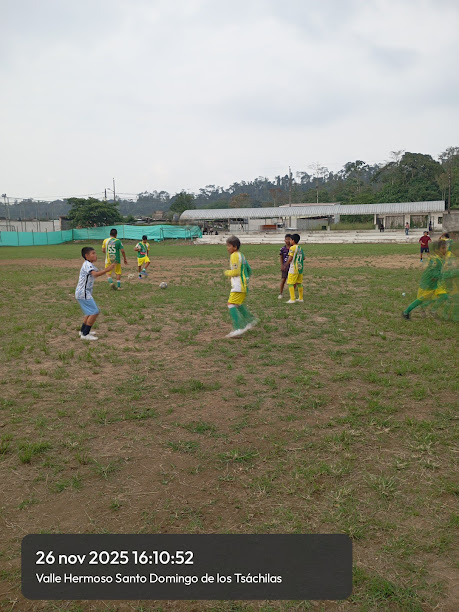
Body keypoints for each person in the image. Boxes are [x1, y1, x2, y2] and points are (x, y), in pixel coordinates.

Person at [75, 247, 115, 340]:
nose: (95, 255)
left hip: (82, 292)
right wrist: (107, 270)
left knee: (89, 312)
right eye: (93, 253)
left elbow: (97, 272)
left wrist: (109, 267)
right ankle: (85, 334)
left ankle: (83, 331)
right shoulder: (87, 264)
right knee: (94, 311)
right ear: (87, 256)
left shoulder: (89, 264)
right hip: (83, 292)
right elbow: (95, 274)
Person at [402, 241, 448, 320]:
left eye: (446, 248)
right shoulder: (435, 260)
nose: (445, 250)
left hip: (436, 284)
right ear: (437, 250)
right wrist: (443, 275)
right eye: (443, 248)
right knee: (420, 300)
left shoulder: (441, 259)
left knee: (444, 296)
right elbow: (432, 273)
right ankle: (406, 312)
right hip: (428, 284)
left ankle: (433, 310)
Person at [223, 235, 257, 338]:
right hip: (243, 284)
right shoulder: (241, 255)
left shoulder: (234, 256)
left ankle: (238, 328)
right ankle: (250, 320)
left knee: (231, 304)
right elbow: (249, 270)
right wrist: (246, 279)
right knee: (237, 304)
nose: (227, 248)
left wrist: (227, 272)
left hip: (238, 285)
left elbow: (236, 271)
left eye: (229, 246)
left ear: (235, 247)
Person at [285, 233, 304, 304]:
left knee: (290, 283)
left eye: (290, 240)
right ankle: (301, 298)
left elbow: (290, 258)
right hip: (300, 268)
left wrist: (286, 264)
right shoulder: (300, 248)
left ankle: (292, 299)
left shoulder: (292, 248)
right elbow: (304, 258)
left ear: (293, 240)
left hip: (294, 268)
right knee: (299, 283)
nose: (289, 241)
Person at [278, 234, 292, 299]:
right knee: (283, 280)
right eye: (287, 239)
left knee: (292, 281)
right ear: (284, 240)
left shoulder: (293, 248)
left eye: (289, 239)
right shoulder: (282, 249)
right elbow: (281, 257)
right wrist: (282, 265)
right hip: (285, 267)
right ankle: (280, 293)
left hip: (292, 266)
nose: (288, 241)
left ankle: (292, 294)